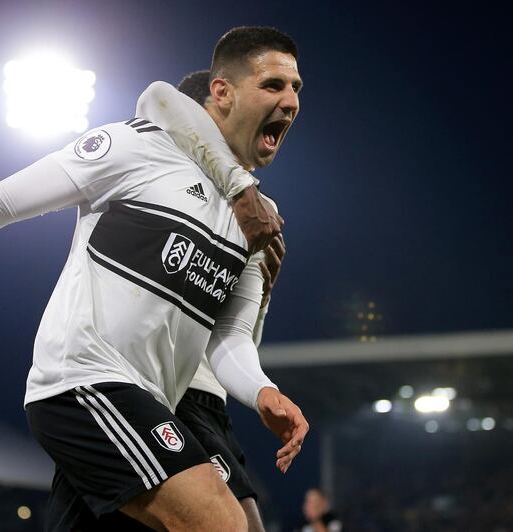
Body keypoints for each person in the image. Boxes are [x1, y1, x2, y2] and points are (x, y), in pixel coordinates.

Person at [0, 26, 307, 531]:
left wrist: (263, 391)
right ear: (221, 93)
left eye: (296, 89)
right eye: (273, 86)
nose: (290, 101)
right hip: (85, 382)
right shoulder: (137, 147)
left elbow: (226, 338)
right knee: (224, 526)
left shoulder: (258, 223)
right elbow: (1, 201)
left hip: (153, 401)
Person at [143, 70, 285, 532]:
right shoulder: (152, 178)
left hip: (207, 399)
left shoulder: (254, 213)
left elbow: (235, 338)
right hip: (157, 393)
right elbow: (158, 97)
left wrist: (261, 297)